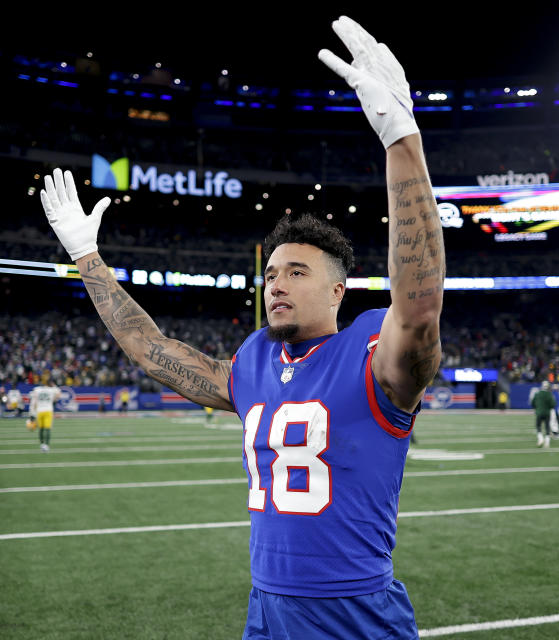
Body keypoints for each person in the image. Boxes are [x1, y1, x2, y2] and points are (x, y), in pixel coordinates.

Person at [40, 16, 440, 639]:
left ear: (337, 290)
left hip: (353, 613)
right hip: (266, 609)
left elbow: (417, 307)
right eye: (271, 272)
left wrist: (401, 140)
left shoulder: (371, 352)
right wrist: (88, 259)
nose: (275, 283)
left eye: (296, 272)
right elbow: (151, 351)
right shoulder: (253, 361)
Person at [29, 380, 62, 452]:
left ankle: (42, 444)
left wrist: (31, 414)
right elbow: (59, 394)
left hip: (39, 411)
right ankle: (46, 445)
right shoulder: (51, 390)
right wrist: (54, 386)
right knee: (47, 429)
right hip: (48, 410)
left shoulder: (37, 389)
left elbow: (33, 402)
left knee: (41, 429)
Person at [531, 380, 558, 447]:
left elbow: (533, 403)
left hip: (539, 412)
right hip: (547, 413)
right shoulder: (549, 394)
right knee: (547, 427)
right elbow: (553, 404)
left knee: (538, 426)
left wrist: (537, 408)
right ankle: (547, 441)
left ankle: (540, 439)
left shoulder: (537, 394)